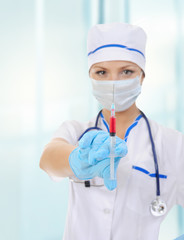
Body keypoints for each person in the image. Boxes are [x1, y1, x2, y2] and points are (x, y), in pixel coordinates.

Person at [39, 22, 184, 240]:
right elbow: (48, 160)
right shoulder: (77, 131)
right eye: (102, 72)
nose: (114, 82)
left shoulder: (174, 145)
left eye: (127, 71)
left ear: (142, 75)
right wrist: (77, 159)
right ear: (90, 77)